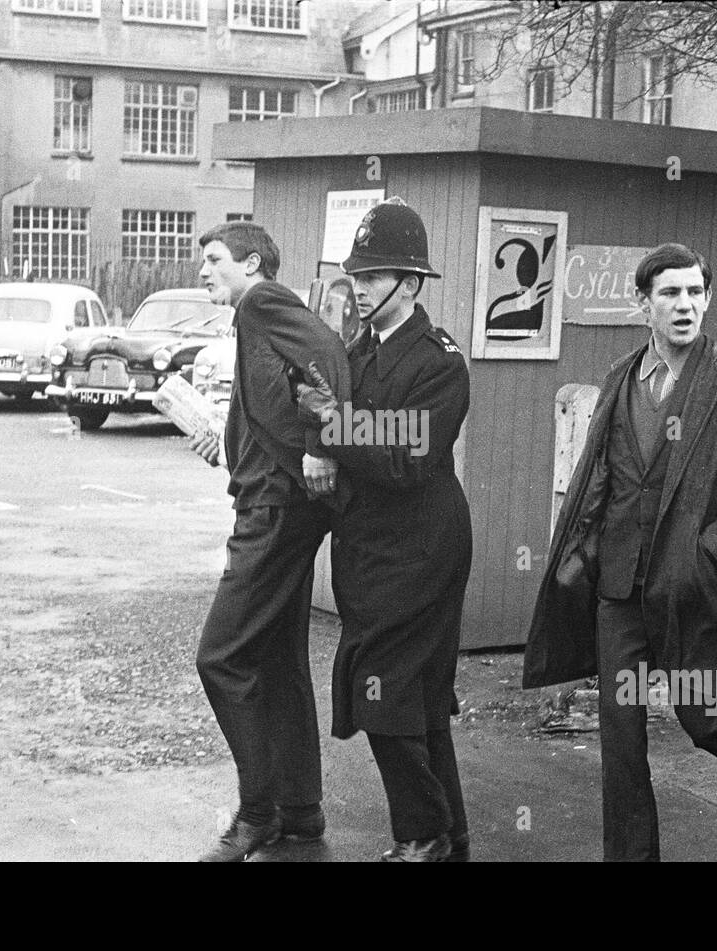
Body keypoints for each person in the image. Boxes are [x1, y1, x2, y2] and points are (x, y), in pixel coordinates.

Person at [523, 243, 717, 861]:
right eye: (670, 293)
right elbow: (603, 478)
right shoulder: (621, 378)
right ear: (642, 304)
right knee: (622, 743)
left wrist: (712, 555)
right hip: (621, 593)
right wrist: (579, 560)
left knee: (708, 721)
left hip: (690, 589)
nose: (686, 305)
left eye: (695, 292)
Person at [293, 199, 472, 861]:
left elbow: (408, 456)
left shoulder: (440, 362)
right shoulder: (354, 349)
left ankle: (422, 833)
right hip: (370, 549)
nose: (359, 288)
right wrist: (324, 430)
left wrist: (331, 429)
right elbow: (310, 400)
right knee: (417, 701)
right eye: (356, 276)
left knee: (381, 688)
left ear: (412, 284)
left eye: (373, 277)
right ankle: (448, 839)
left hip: (422, 551)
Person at [189, 221, 352, 862]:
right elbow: (280, 399)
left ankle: (256, 814)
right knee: (281, 662)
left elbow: (328, 356)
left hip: (275, 512)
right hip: (274, 499)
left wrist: (320, 445)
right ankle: (301, 819)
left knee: (221, 657)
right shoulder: (253, 317)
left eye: (214, 259)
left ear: (251, 263)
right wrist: (228, 447)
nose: (203, 271)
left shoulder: (262, 301)